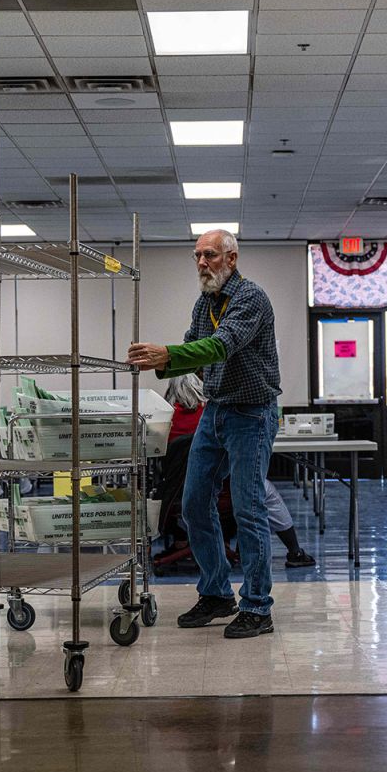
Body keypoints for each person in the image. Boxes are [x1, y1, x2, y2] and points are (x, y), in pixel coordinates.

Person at [128, 229, 281, 639]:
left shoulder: (250, 297)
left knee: (249, 509)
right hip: (216, 412)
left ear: (231, 259)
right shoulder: (205, 303)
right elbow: (195, 346)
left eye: (209, 255)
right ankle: (216, 593)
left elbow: (221, 345)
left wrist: (169, 355)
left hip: (252, 414)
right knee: (194, 503)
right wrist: (159, 363)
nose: (201, 263)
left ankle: (257, 607)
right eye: (197, 256)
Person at [164, 374, 316, 569]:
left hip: (182, 494)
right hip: (229, 489)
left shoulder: (166, 418)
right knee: (266, 492)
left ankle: (181, 541)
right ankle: (294, 551)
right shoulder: (214, 415)